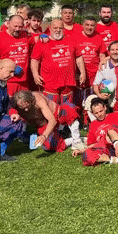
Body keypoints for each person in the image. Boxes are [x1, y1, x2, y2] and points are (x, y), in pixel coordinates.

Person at [30, 19, 87, 150]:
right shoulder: (43, 42)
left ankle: (68, 132)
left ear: (64, 29)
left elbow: (78, 57)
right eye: (55, 28)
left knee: (68, 109)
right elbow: (34, 60)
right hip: (49, 84)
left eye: (60, 28)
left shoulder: (71, 40)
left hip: (68, 82)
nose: (57, 30)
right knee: (51, 110)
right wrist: (35, 74)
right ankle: (53, 132)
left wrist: (82, 72)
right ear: (50, 28)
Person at [76, 97, 118, 166]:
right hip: (105, 148)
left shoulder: (115, 115)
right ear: (92, 113)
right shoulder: (92, 125)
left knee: (109, 129)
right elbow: (93, 144)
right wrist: (81, 151)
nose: (99, 114)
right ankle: (117, 160)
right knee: (86, 155)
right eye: (96, 113)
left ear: (105, 108)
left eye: (101, 111)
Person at [10, 90, 77, 153]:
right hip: (43, 124)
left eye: (27, 106)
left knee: (69, 110)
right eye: (23, 108)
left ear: (30, 100)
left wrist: (44, 136)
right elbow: (11, 108)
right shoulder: (16, 104)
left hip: (55, 116)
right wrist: (16, 114)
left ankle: (77, 139)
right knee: (49, 146)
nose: (26, 110)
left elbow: (52, 120)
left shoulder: (37, 99)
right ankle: (69, 140)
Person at [0, 14, 33, 95]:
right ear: (8, 24)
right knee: (10, 106)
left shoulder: (25, 35)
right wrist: (11, 68)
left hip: (24, 81)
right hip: (9, 81)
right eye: (15, 26)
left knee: (25, 106)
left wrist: (44, 36)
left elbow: (37, 38)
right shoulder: (0, 37)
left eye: (20, 27)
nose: (18, 29)